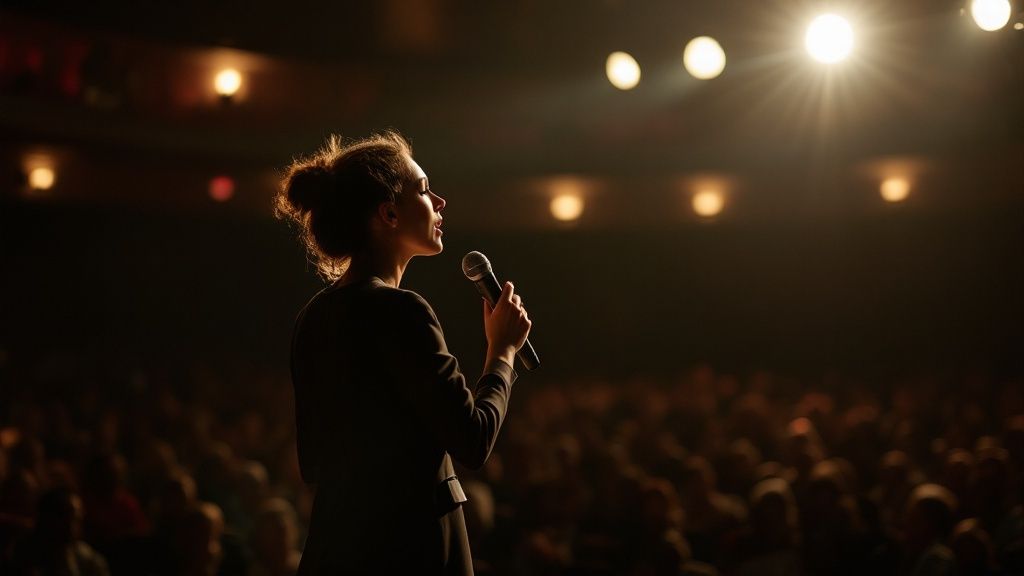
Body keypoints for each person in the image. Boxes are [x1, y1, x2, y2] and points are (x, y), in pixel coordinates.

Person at [274, 131, 532, 575]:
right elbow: (472, 440)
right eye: (424, 189)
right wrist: (502, 352)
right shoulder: (400, 310)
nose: (440, 201)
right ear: (389, 214)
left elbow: (313, 462)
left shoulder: (312, 318)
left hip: (335, 548)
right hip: (412, 550)